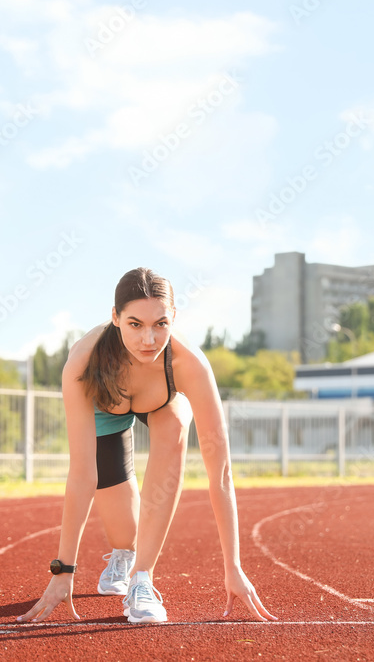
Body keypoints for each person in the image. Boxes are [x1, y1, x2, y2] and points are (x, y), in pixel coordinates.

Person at [17, 267, 276, 625]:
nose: (149, 340)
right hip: (106, 413)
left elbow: (221, 473)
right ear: (115, 317)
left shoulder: (190, 365)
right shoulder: (83, 361)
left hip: (161, 405)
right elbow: (82, 473)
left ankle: (142, 579)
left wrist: (233, 567)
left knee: (175, 424)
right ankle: (124, 554)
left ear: (174, 320)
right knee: (125, 533)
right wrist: (64, 570)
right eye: (135, 324)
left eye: (160, 324)